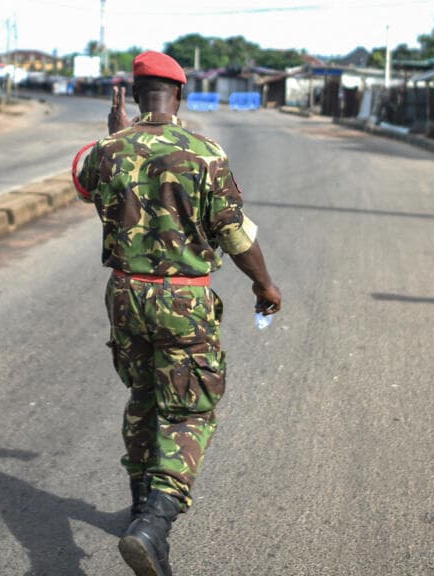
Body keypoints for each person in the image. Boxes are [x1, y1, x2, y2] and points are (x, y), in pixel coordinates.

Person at [75, 51, 282, 576]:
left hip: (125, 295)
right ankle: (155, 522)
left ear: (135, 94)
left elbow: (82, 182)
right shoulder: (205, 154)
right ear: (181, 94)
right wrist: (265, 285)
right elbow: (235, 234)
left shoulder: (109, 150)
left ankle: (141, 510)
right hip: (182, 302)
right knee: (189, 410)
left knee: (143, 396)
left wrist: (114, 136)